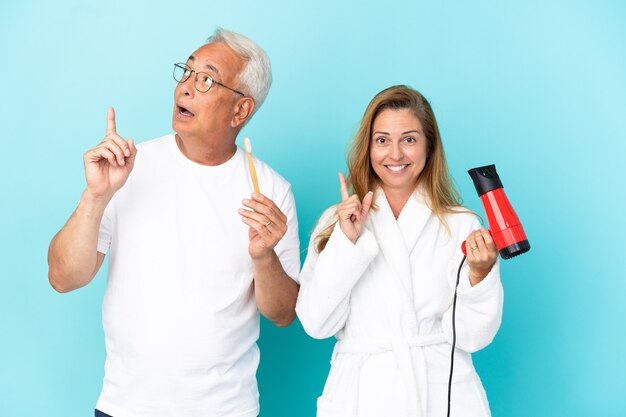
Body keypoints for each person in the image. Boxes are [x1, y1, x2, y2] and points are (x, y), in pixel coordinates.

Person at [47, 28, 300, 417]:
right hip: (124, 406)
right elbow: (64, 278)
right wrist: (96, 196)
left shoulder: (270, 191)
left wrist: (265, 256)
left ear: (241, 110)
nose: (185, 88)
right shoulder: (129, 167)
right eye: (187, 72)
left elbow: (282, 314)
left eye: (206, 79)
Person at [296, 85, 503, 417]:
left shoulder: (462, 225)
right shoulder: (336, 222)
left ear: (428, 147)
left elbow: (472, 337)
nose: (395, 155)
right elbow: (316, 324)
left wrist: (478, 276)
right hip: (361, 397)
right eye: (382, 140)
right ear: (368, 148)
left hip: (441, 393)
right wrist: (346, 242)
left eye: (408, 139)